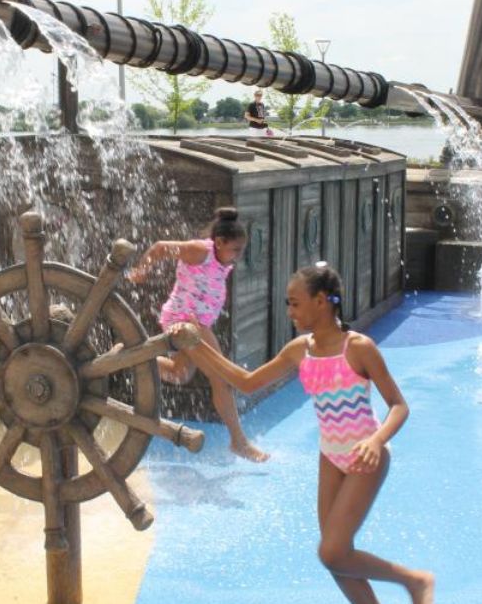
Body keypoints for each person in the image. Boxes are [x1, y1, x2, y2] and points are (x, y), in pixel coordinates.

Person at [173, 263, 434, 603]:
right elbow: (247, 383)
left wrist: (376, 440)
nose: (289, 310)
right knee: (337, 559)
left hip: (365, 457)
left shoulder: (358, 347)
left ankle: (414, 581)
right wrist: (196, 345)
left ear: (322, 302)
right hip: (330, 457)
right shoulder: (300, 349)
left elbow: (399, 406)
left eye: (295, 303)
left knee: (332, 552)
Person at [128, 207, 267, 462]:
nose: (238, 255)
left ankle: (131, 357)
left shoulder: (222, 259)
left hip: (196, 323)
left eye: (241, 250)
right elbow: (159, 247)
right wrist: (141, 270)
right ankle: (239, 442)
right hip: (186, 322)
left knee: (178, 374)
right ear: (219, 242)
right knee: (222, 379)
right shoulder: (200, 251)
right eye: (235, 250)